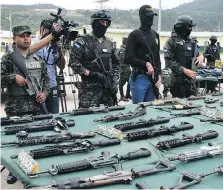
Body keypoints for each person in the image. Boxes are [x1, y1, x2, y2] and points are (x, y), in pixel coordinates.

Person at [1, 25, 51, 184]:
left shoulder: (38, 59)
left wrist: (44, 93)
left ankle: (31, 166)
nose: (26, 38)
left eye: (28, 35)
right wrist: (13, 78)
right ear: (14, 38)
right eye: (22, 35)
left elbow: (47, 81)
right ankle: (13, 170)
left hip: (36, 107)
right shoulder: (8, 59)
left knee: (36, 138)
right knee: (17, 140)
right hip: (16, 108)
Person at [69, 10, 119, 108]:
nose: (105, 25)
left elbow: (116, 65)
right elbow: (73, 62)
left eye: (107, 22)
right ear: (95, 23)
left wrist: (114, 81)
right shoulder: (83, 41)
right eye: (102, 22)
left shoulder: (109, 43)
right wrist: (89, 73)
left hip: (107, 90)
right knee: (86, 117)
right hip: (89, 90)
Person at [125, 5, 162, 104]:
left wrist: (160, 75)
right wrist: (146, 64)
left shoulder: (155, 35)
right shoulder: (134, 35)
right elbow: (128, 58)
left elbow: (157, 57)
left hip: (153, 78)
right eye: (148, 16)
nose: (150, 18)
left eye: (152, 16)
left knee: (150, 111)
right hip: (139, 78)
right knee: (138, 110)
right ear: (141, 17)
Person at [163, 15, 204, 98]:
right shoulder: (171, 42)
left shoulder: (191, 41)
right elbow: (168, 62)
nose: (190, 29)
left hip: (192, 82)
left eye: (191, 27)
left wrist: (201, 57)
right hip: (177, 83)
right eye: (188, 27)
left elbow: (196, 57)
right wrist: (184, 70)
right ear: (181, 27)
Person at [35, 19, 66, 113]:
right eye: (49, 29)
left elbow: (62, 66)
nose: (51, 32)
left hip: (52, 85)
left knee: (54, 115)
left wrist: (60, 50)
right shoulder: (33, 43)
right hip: (37, 87)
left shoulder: (54, 45)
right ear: (41, 28)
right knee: (38, 117)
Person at [116, 37, 131, 101]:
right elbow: (123, 59)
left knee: (130, 82)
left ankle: (127, 94)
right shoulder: (122, 50)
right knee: (121, 83)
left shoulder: (126, 49)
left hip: (127, 68)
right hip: (123, 69)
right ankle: (122, 96)